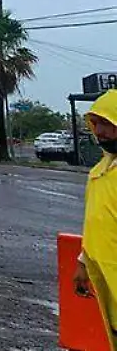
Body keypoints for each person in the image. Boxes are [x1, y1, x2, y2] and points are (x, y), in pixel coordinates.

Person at [76, 88, 117, 347]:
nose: (99, 131)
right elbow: (94, 223)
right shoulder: (99, 173)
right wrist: (82, 263)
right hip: (109, 286)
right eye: (96, 123)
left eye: (107, 123)